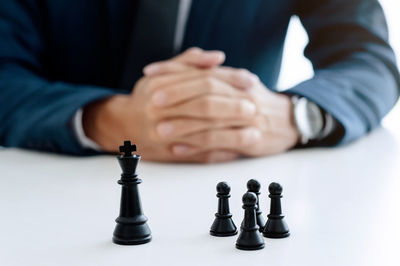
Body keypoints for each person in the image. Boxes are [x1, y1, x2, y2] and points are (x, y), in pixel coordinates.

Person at [0, 0, 399, 163]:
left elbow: (370, 60)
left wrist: (293, 116)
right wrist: (108, 120)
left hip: (232, 172)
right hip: (48, 180)